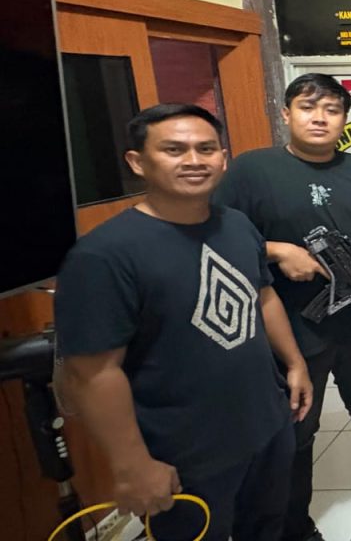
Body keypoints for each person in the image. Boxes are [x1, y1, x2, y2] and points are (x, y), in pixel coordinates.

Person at [55, 104, 313, 541]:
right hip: (185, 452)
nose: (194, 160)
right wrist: (131, 464)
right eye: (174, 150)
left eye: (206, 149)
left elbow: (262, 295)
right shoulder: (104, 255)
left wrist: (295, 363)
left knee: (266, 529)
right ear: (138, 162)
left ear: (223, 159)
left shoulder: (237, 226)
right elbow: (93, 373)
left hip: (266, 427)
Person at [215, 74, 351, 540]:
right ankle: (294, 520)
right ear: (286, 113)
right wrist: (278, 251)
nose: (320, 118)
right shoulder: (252, 171)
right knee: (298, 423)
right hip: (290, 325)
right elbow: (215, 235)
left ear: (344, 119)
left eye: (331, 109)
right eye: (308, 107)